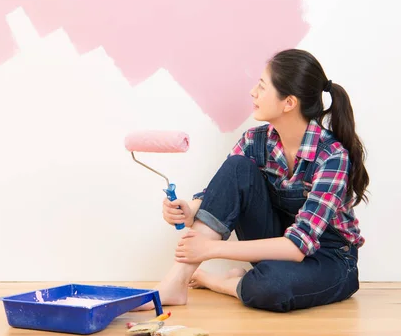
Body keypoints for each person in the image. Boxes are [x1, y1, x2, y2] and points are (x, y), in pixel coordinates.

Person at [136, 48, 369, 313]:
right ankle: (176, 282)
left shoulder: (332, 156)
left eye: (262, 86)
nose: (252, 93)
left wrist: (209, 249)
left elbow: (297, 247)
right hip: (278, 241)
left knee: (271, 286)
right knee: (237, 167)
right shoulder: (254, 140)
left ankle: (221, 282)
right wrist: (189, 209)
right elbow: (221, 194)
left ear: (289, 103)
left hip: (330, 257)